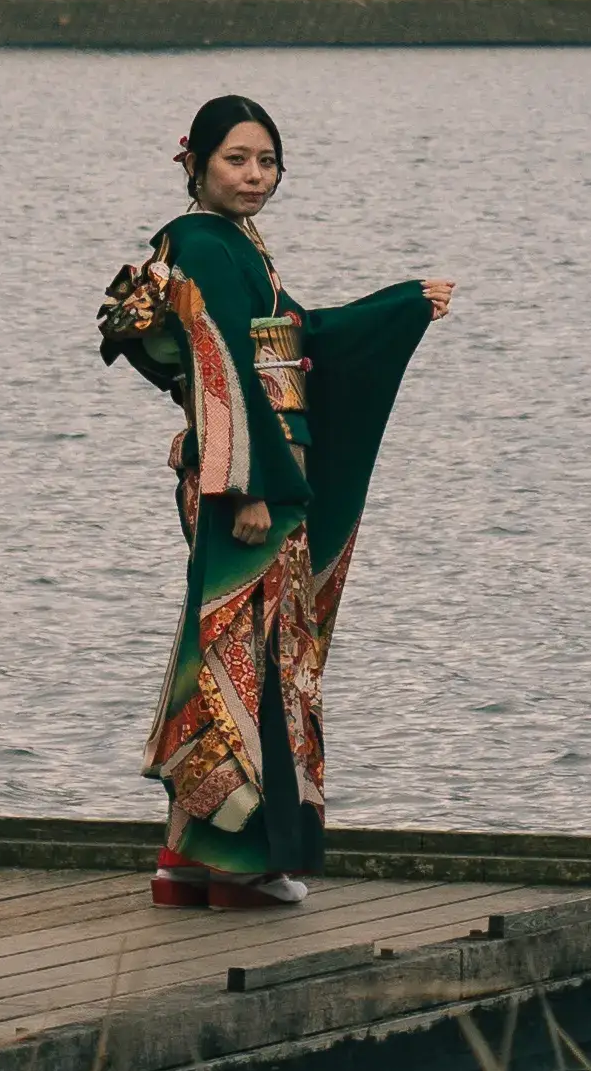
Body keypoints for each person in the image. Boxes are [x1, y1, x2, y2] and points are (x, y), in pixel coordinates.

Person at [101, 92, 452, 914]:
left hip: (249, 470)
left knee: (227, 650)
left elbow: (298, 338)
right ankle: (242, 866)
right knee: (254, 659)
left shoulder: (232, 245)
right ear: (194, 163)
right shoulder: (201, 242)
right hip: (250, 484)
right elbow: (221, 362)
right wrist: (248, 486)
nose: (254, 175)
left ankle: (187, 858)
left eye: (268, 161)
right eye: (236, 159)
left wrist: (402, 306)